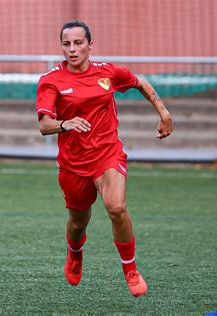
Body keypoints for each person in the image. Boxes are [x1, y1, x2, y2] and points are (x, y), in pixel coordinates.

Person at [35, 20, 173, 297]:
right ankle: (75, 253)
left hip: (107, 153)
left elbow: (140, 83)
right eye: (66, 44)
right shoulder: (51, 80)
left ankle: (131, 270)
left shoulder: (108, 72)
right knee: (78, 223)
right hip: (73, 164)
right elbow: (44, 125)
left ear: (90, 45)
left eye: (78, 43)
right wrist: (65, 123)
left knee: (116, 208)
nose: (72, 50)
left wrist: (164, 114)